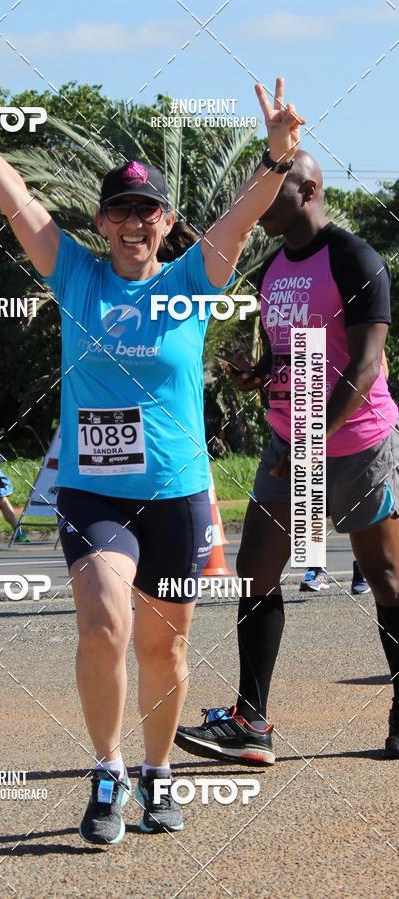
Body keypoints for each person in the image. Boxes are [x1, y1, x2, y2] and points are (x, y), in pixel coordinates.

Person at [0, 53, 305, 843]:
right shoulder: (74, 275)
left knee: (162, 646)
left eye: (148, 210)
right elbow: (17, 199)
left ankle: (158, 770)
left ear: (166, 221)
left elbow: (245, 212)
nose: (134, 222)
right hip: (97, 494)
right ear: (101, 222)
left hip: (176, 492)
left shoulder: (193, 278)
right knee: (103, 623)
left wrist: (274, 155)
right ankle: (106, 772)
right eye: (120, 210)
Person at [176, 150, 399, 765]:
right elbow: (291, 348)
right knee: (257, 572)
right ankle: (253, 722)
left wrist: (310, 439)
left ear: (309, 191)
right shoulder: (271, 269)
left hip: (357, 443)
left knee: (386, 579)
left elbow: (364, 365)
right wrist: (260, 372)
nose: (257, 204)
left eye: (271, 192)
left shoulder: (356, 259)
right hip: (287, 443)